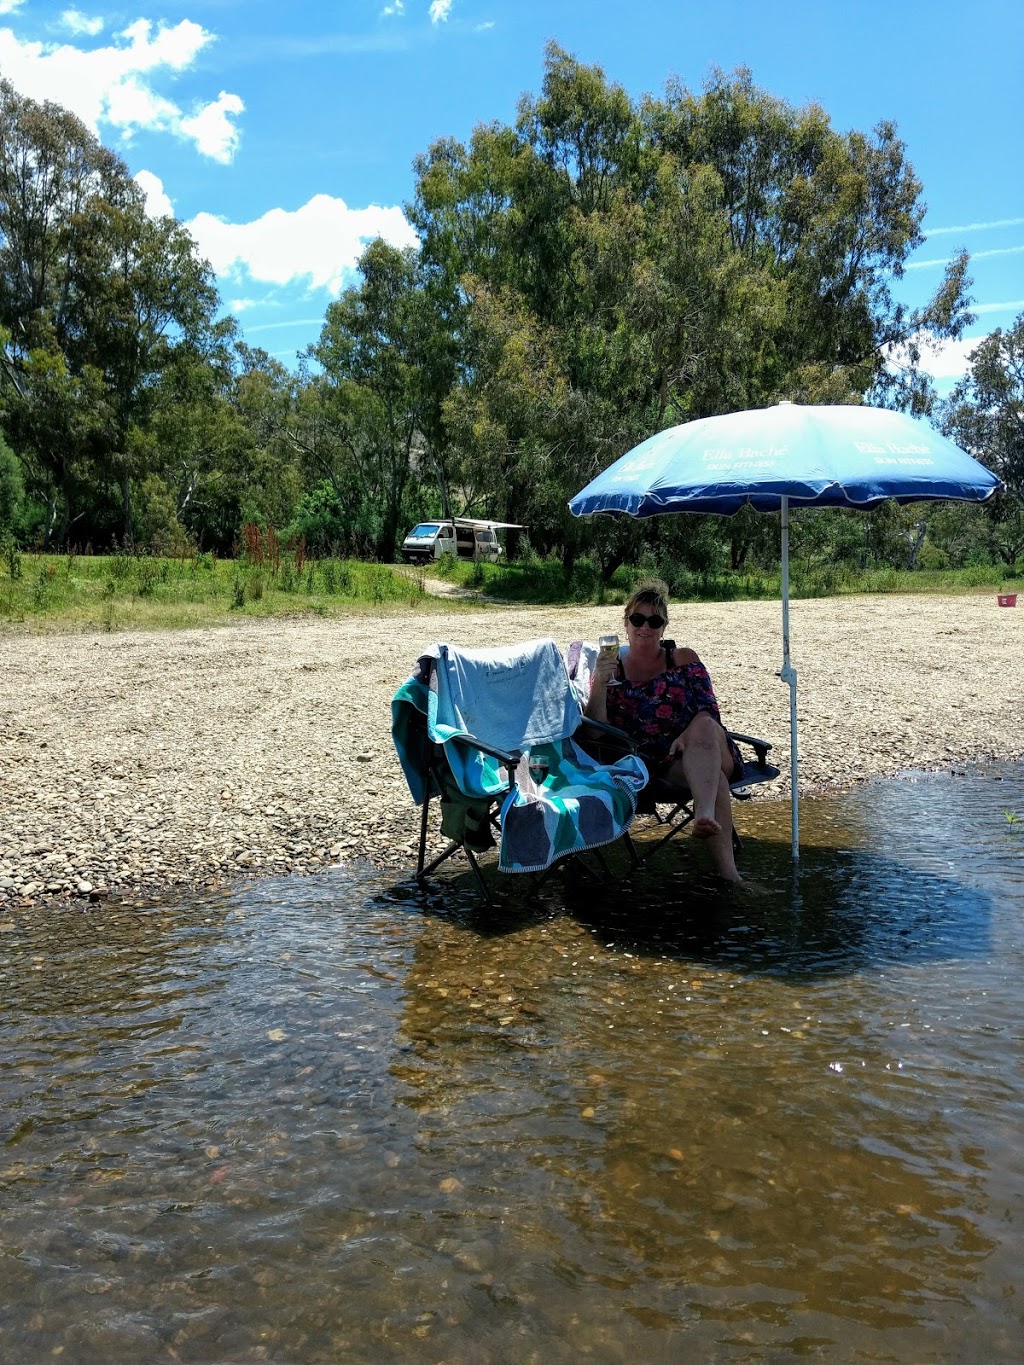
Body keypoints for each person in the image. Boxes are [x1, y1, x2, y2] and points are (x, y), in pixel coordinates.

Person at [584, 579, 744, 883]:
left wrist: (689, 732)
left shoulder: (682, 659)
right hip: (662, 762)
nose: (645, 627)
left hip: (709, 746)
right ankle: (730, 875)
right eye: (638, 619)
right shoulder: (611, 669)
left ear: (664, 627)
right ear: (626, 623)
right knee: (717, 782)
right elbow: (594, 734)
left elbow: (710, 710)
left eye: (654, 620)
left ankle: (703, 811)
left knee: (704, 726)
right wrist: (599, 685)